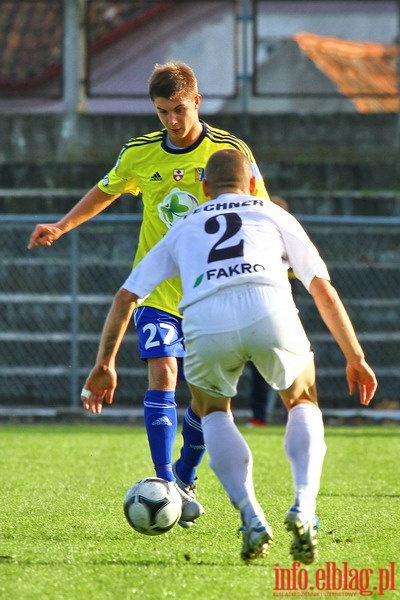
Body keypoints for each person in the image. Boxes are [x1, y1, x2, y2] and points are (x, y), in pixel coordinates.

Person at [79, 149, 377, 563]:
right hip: (267, 307)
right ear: (253, 182)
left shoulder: (184, 226)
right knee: (302, 399)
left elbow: (127, 295)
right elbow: (322, 288)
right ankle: (303, 505)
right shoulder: (274, 214)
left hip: (206, 317)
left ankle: (252, 516)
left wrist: (104, 364)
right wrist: (355, 356)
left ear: (204, 188)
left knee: (213, 410)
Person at [27, 62, 270, 527]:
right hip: (158, 293)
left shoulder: (230, 152)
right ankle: (167, 483)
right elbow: (106, 191)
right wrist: (62, 224)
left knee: (208, 399)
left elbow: (257, 207)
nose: (172, 121)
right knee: (162, 373)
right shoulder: (140, 153)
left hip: (211, 294)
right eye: (163, 112)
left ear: (196, 102)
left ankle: (185, 475)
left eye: (179, 110)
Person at [247, 195, 295, 427]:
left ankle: (293, 413)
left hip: (282, 309)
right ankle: (260, 416)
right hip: (253, 307)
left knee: (289, 364)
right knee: (259, 367)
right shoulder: (252, 236)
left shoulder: (289, 238)